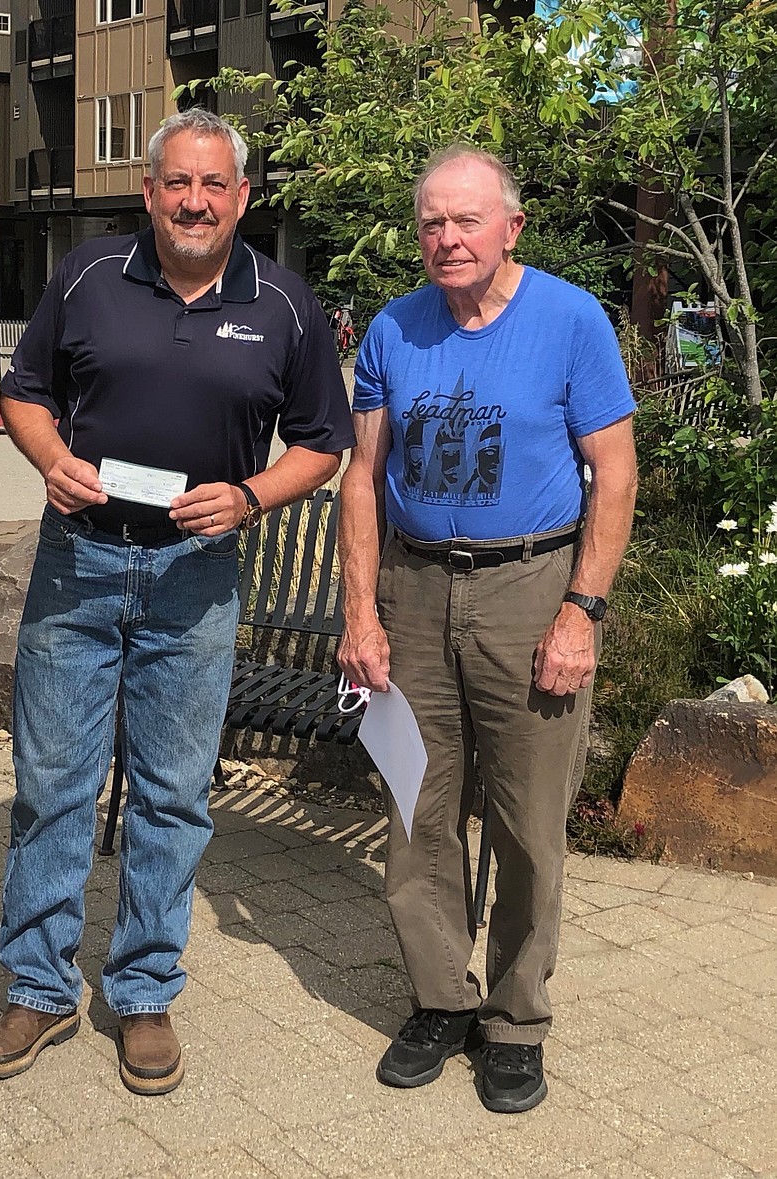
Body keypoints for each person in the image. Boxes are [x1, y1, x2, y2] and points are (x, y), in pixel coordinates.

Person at [0, 109, 354, 1095]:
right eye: (177, 183)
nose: (194, 201)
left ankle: (142, 993)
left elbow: (321, 442)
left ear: (242, 198)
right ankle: (40, 989)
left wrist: (255, 493)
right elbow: (22, 390)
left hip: (195, 574)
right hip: (79, 562)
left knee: (174, 794)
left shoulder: (285, 305)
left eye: (214, 185)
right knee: (54, 784)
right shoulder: (90, 274)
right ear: (149, 191)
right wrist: (49, 456)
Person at [338, 145, 637, 1114]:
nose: (446, 238)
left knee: (527, 819)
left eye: (465, 220)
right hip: (418, 592)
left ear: (512, 225)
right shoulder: (395, 328)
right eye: (431, 221)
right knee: (417, 810)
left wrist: (580, 611)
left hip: (530, 585)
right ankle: (439, 997)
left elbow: (617, 473)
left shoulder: (570, 320)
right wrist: (360, 613)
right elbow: (362, 478)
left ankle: (515, 1016)